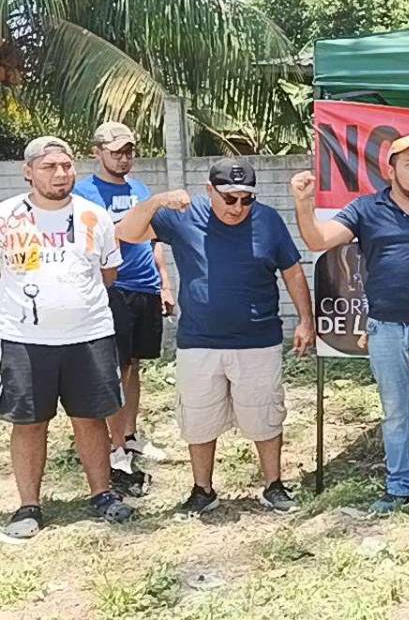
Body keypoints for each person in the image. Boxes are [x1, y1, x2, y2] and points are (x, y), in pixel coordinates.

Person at [290, 135, 409, 522]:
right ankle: (398, 487)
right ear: (390, 170)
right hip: (386, 330)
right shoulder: (365, 210)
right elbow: (317, 240)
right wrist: (303, 204)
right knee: (394, 412)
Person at [115, 158, 315, 515]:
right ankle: (202, 490)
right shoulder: (182, 216)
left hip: (258, 340)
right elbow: (126, 233)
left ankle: (274, 485)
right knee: (199, 419)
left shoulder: (268, 220)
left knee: (265, 417)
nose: (238, 207)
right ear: (210, 192)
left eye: (246, 199)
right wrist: (156, 201)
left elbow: (292, 271)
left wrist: (305, 320)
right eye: (230, 198)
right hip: (199, 341)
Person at [0, 136, 135, 540]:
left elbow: (108, 275)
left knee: (90, 418)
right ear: (28, 172)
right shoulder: (6, 218)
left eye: (66, 165)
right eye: (49, 167)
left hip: (89, 336)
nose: (60, 174)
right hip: (24, 339)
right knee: (29, 423)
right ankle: (29, 506)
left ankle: (102, 494)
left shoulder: (96, 216)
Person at [74, 122, 173, 496]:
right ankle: (114, 449)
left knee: (133, 365)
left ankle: (128, 436)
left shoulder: (140, 189)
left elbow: (153, 238)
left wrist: (164, 281)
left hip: (145, 286)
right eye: (116, 151)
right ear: (97, 152)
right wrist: (147, 210)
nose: (124, 157)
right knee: (113, 367)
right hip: (112, 288)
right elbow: (113, 233)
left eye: (129, 150)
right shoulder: (84, 193)